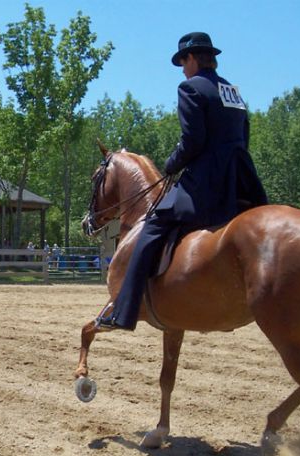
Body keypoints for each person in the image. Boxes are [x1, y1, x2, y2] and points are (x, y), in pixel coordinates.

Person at [98, 31, 268, 330]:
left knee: (152, 226)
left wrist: (172, 163)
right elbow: (245, 138)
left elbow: (193, 140)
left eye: (183, 62)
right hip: (242, 182)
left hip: (207, 183)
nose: (182, 69)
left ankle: (123, 311)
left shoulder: (191, 88)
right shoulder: (233, 93)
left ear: (192, 58)